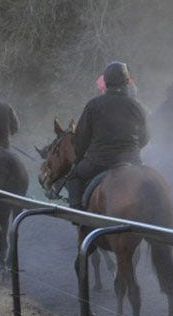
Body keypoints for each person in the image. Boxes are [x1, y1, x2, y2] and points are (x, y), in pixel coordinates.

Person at [64, 62, 149, 209]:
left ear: (105, 82)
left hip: (99, 162)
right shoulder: (137, 106)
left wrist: (79, 159)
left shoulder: (93, 105)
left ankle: (78, 214)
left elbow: (81, 139)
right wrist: (131, 150)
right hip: (132, 162)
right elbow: (145, 137)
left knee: (74, 177)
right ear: (127, 82)